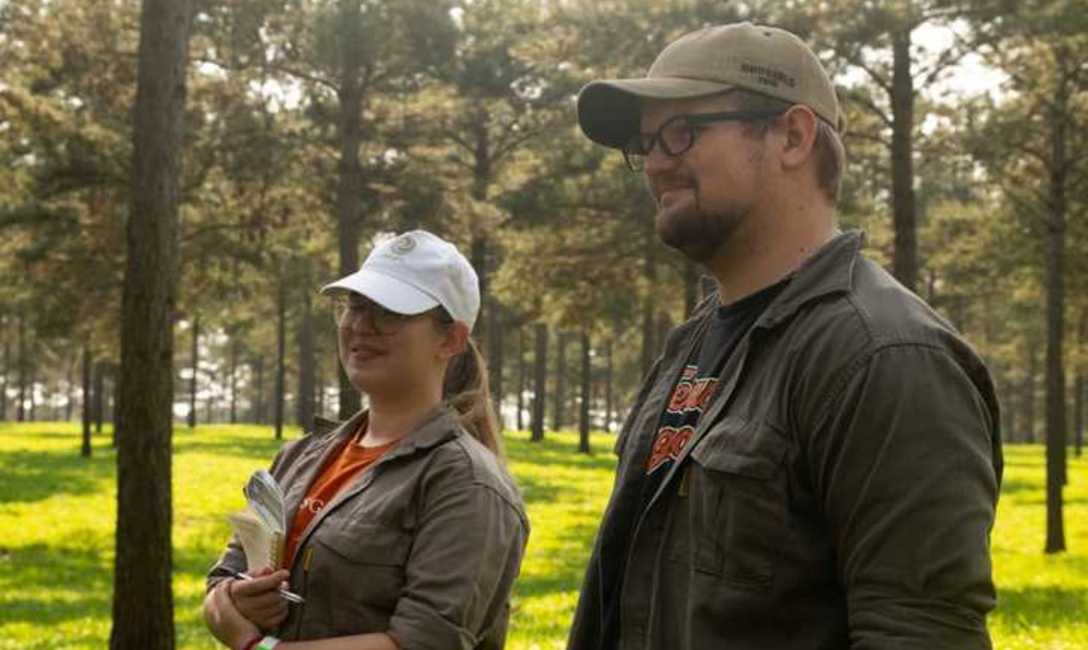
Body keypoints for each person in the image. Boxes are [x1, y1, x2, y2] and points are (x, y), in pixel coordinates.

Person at [568, 22, 1002, 650]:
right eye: (645, 144)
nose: (656, 163)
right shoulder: (691, 345)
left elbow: (919, 632)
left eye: (681, 133)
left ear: (792, 136)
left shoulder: (884, 357)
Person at [203, 230, 529, 650]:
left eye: (389, 312)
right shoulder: (299, 457)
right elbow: (219, 584)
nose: (360, 325)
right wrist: (234, 599)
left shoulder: (467, 484)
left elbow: (425, 641)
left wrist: (259, 647)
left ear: (450, 339)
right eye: (354, 305)